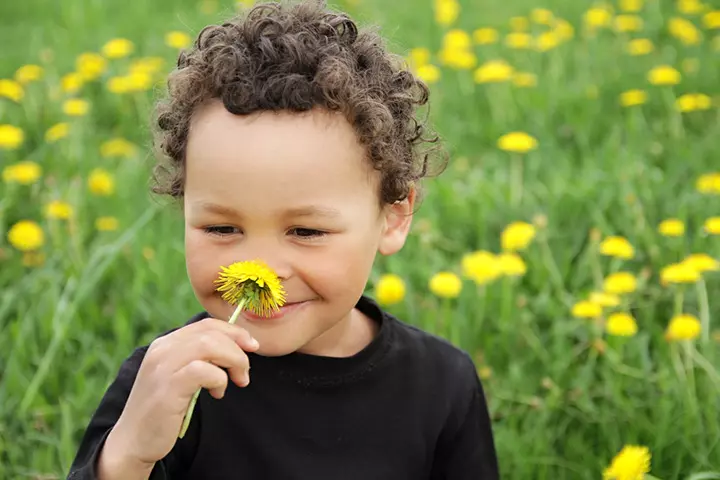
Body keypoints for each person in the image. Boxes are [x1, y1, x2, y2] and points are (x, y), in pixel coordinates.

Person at [67, 1, 499, 478]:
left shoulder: (442, 385)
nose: (260, 267)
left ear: (394, 217)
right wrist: (129, 453)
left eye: (306, 231)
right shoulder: (170, 380)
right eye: (222, 228)